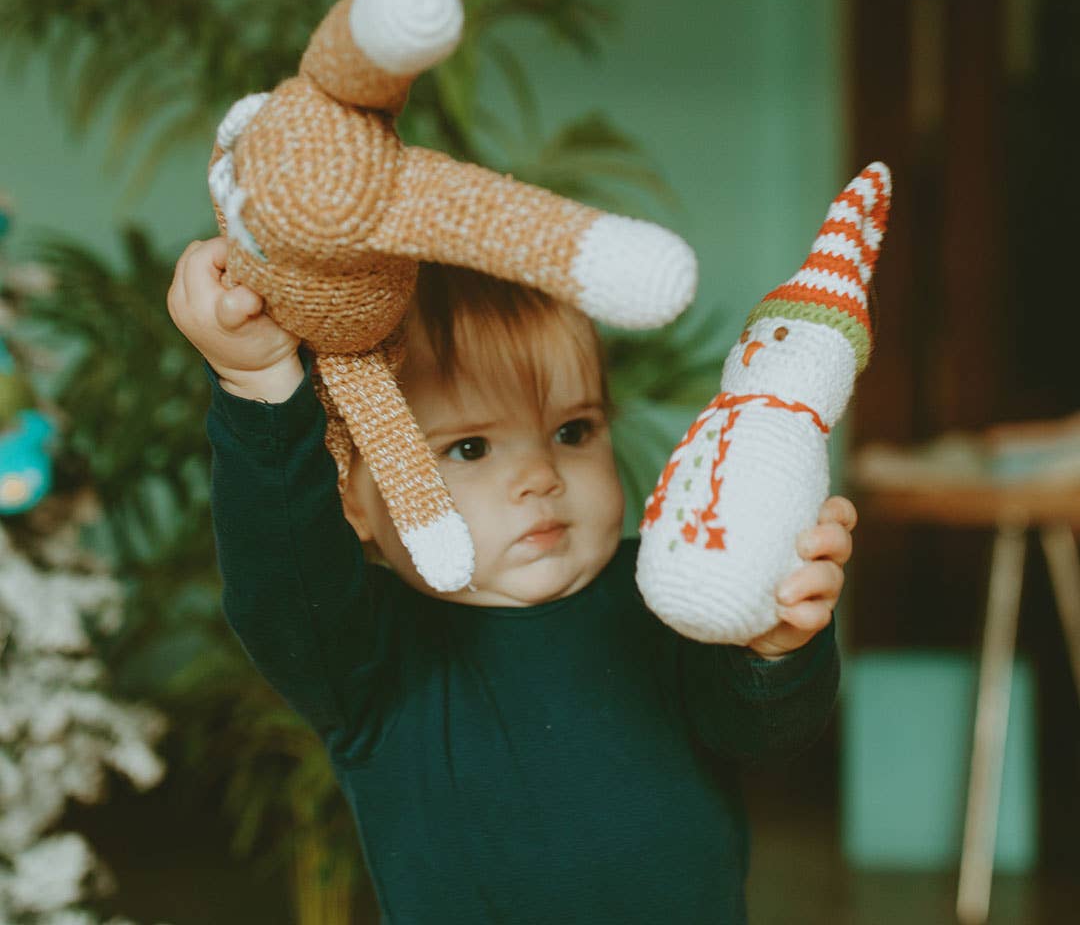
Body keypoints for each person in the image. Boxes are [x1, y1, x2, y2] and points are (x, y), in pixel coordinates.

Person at [167, 235, 855, 925]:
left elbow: (763, 735)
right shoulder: (366, 656)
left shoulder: (668, 593)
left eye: (573, 431)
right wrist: (261, 385)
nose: (540, 477)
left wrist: (771, 648)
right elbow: (281, 574)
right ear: (351, 498)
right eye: (470, 448)